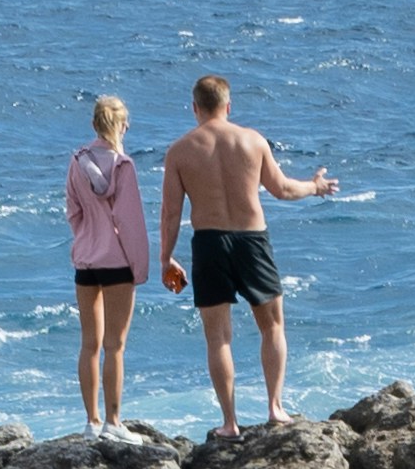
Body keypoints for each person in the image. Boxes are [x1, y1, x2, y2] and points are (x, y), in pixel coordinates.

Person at [159, 72, 340, 430]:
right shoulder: (252, 141)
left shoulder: (179, 151)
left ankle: (229, 422)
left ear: (194, 108)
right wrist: (315, 187)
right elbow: (283, 189)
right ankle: (275, 407)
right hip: (251, 239)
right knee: (272, 326)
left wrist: (166, 258)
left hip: (209, 242)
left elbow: (171, 213)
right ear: (228, 106)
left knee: (218, 337)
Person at [59, 97, 155, 437]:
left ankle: (91, 421)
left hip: (85, 260)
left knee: (89, 344)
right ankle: (114, 423)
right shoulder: (123, 165)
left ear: (94, 125)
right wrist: (139, 268)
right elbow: (130, 222)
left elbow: (73, 211)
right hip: (116, 263)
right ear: (122, 125)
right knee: (115, 345)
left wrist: (87, 238)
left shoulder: (77, 160)